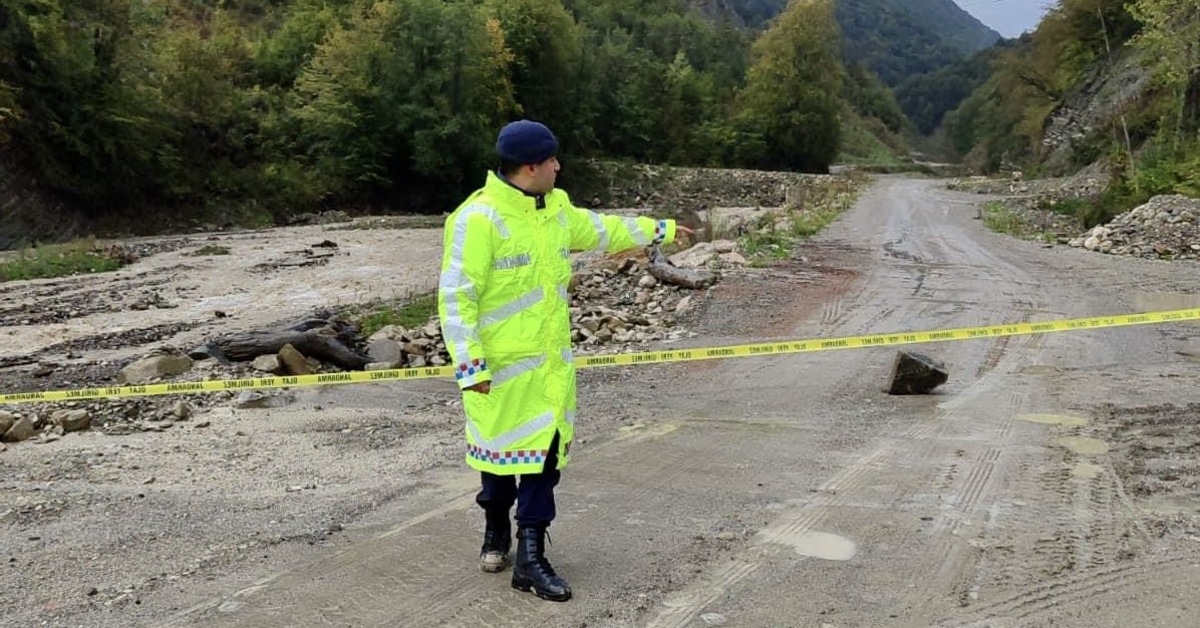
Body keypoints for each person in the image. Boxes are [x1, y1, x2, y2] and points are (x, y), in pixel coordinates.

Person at [437, 120, 691, 602]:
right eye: (552, 159)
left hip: (550, 371)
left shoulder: (555, 209)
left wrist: (662, 229)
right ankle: (496, 529)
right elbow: (455, 299)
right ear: (530, 167)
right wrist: (470, 366)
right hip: (500, 373)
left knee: (543, 462)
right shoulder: (477, 219)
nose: (559, 166)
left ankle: (530, 556)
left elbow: (603, 229)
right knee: (498, 462)